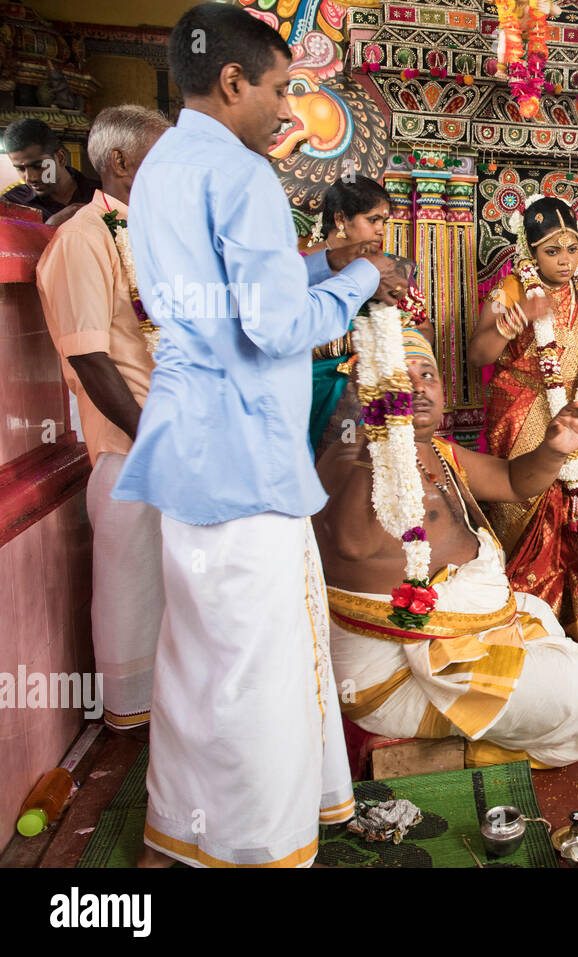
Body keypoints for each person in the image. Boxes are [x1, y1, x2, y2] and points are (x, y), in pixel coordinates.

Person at [112, 3, 400, 868]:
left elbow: (233, 289)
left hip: (189, 451)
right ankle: (257, 846)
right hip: (246, 460)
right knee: (258, 667)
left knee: (200, 652)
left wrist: (327, 263)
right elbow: (275, 328)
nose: (288, 111)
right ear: (232, 80)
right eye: (279, 89)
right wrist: (361, 281)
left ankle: (180, 833)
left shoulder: (162, 165)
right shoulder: (241, 177)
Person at [316, 330, 578, 767]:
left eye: (427, 375)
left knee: (541, 616)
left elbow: (510, 481)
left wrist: (555, 448)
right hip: (397, 667)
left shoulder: (436, 450)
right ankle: (478, 751)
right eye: (398, 379)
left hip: (460, 630)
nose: (418, 389)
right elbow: (352, 545)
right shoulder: (347, 454)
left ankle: (490, 724)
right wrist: (374, 430)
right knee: (569, 695)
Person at [34, 105, 171, 734]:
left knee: (178, 603)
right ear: (120, 162)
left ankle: (174, 730)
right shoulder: (83, 240)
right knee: (133, 600)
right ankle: (128, 735)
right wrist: (154, 442)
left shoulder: (157, 235)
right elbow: (89, 355)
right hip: (131, 456)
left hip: (178, 453)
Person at [468, 196, 578, 640]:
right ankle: (521, 614)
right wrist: (511, 322)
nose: (564, 260)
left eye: (572, 249)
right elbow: (478, 354)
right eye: (551, 251)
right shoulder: (513, 292)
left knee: (576, 510)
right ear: (530, 253)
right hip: (520, 414)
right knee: (524, 506)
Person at [306, 175, 396, 451]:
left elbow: (422, 329)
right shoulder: (300, 266)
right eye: (372, 220)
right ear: (341, 219)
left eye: (385, 222)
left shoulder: (388, 270)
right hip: (310, 387)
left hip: (371, 389)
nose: (381, 230)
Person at [3, 118, 100, 222]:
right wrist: (50, 227)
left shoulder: (100, 194)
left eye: (38, 166)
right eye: (21, 169)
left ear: (60, 158)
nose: (30, 178)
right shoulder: (11, 204)